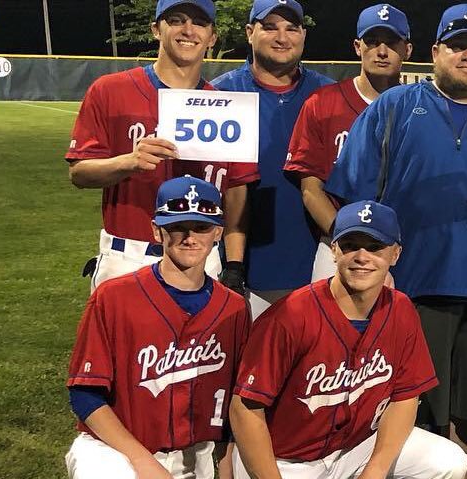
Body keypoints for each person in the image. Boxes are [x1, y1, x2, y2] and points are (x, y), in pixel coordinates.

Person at [325, 5, 467, 477]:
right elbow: (352, 197)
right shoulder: (394, 107)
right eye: (457, 45)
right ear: (435, 52)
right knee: (408, 413)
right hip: (409, 289)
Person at [229, 201, 467, 479]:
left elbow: (405, 397)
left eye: (375, 247)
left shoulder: (401, 309)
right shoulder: (289, 316)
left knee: (448, 461)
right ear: (333, 250)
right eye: (350, 245)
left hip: (357, 446)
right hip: (285, 460)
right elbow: (245, 411)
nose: (362, 256)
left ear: (395, 254)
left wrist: (375, 471)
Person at [65, 176, 249, 479]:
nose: (190, 238)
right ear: (156, 230)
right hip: (114, 450)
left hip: (195, 454)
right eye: (177, 227)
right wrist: (143, 463)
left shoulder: (234, 308)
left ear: (218, 232)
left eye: (201, 227)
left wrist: (227, 459)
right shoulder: (114, 297)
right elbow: (84, 394)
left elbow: (236, 396)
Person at [67, 0, 256, 290]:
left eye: (199, 23)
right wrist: (127, 162)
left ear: (212, 37)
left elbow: (235, 190)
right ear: (156, 29)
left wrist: (233, 266)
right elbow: (79, 173)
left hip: (203, 257)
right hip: (129, 257)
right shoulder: (110, 90)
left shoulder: (226, 107)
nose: (188, 30)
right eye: (177, 20)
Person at [212, 0, 335, 317]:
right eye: (270, 27)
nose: (282, 37)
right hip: (241, 266)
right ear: (250, 33)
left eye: (291, 28)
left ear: (303, 35)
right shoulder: (218, 96)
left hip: (322, 258)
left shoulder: (329, 95)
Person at [285, 3, 411, 283]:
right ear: (357, 46)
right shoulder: (323, 103)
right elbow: (310, 190)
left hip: (404, 249)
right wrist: (348, 240)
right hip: (339, 245)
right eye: (372, 41)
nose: (381, 51)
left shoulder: (420, 109)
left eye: (391, 43)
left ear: (407, 50)